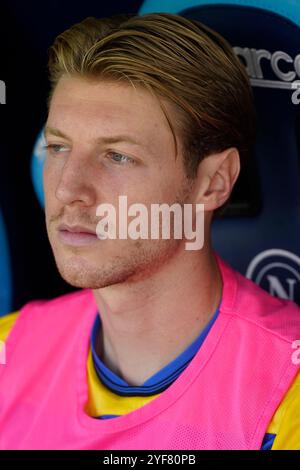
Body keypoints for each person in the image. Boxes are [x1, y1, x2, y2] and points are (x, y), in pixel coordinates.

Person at [0, 12, 299, 450]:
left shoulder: (288, 389)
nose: (67, 188)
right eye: (59, 147)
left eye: (117, 156)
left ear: (213, 182)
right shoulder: (9, 349)